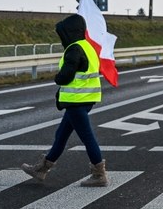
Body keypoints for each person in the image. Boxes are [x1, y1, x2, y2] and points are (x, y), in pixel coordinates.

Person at [21, 14, 108, 187]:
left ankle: (99, 175)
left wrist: (57, 77)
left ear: (70, 32)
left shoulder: (74, 49)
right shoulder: (88, 47)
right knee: (61, 135)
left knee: (87, 137)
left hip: (76, 100)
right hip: (85, 99)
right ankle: (42, 169)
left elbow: (65, 76)